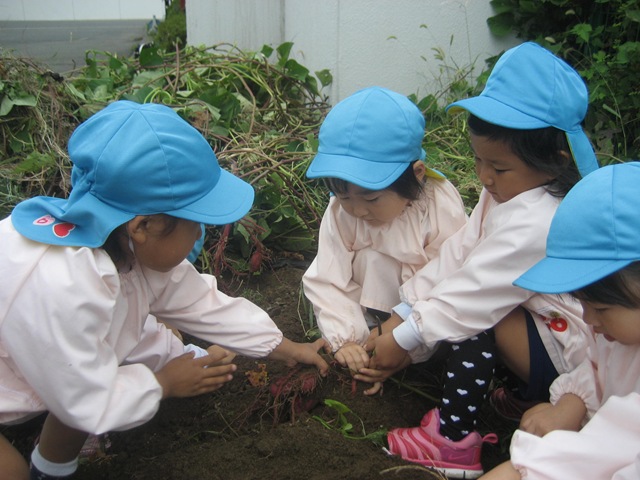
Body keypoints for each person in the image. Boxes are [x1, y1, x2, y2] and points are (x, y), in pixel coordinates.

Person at [0, 100, 330, 480]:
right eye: (195, 223)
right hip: (47, 379)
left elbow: (200, 303)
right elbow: (85, 399)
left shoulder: (119, 243)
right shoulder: (62, 288)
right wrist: (162, 383)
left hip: (52, 369)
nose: (200, 235)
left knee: (89, 373)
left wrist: (285, 348)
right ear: (143, 226)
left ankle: (52, 468)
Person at [361, 42, 600, 478]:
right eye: (478, 160)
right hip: (539, 333)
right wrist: (403, 312)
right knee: (460, 308)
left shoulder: (541, 219)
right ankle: (525, 399)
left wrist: (405, 338)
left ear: (555, 161)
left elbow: (473, 294)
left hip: (571, 358)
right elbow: (460, 253)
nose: (484, 177)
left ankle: (452, 442)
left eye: (499, 167)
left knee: (474, 320)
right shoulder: (506, 194)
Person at [480, 161, 640, 479]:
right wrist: (572, 402)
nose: (589, 319)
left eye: (603, 309)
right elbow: (594, 370)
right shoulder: (617, 336)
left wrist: (532, 467)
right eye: (582, 304)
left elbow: (620, 450)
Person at [302, 86, 468, 391]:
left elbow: (448, 277)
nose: (357, 210)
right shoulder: (340, 212)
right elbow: (328, 278)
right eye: (343, 196)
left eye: (372, 198)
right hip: (369, 315)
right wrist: (346, 340)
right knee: (369, 258)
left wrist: (406, 340)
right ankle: (366, 343)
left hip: (423, 320)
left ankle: (412, 357)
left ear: (416, 174)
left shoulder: (439, 204)